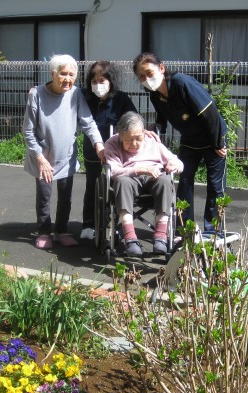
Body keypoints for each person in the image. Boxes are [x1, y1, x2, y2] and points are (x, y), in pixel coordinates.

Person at [132, 52, 228, 233]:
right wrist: (156, 129)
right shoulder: (155, 95)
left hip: (213, 139)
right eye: (142, 77)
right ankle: (185, 231)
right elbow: (162, 117)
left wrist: (218, 144)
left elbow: (210, 113)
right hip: (189, 141)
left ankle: (214, 233)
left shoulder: (182, 83)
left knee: (215, 187)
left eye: (149, 73)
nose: (146, 79)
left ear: (161, 68)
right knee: (184, 182)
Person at [22, 54, 104, 250]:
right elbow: (28, 131)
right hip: (43, 157)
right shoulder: (37, 94)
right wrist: (40, 158)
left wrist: (99, 144)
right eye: (63, 74)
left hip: (66, 155)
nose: (68, 79)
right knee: (44, 195)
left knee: (65, 196)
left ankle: (61, 231)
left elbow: (88, 123)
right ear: (53, 73)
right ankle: (44, 231)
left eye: (71, 75)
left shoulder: (75, 94)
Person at [104, 111, 183, 257]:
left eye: (138, 138)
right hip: (129, 177)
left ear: (143, 133)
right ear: (120, 135)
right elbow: (114, 171)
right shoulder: (112, 144)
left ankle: (160, 237)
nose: (134, 144)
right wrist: (140, 169)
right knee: (121, 181)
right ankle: (130, 239)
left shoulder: (152, 141)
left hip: (154, 175)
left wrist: (175, 165)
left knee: (165, 181)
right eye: (128, 140)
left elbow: (176, 161)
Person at [79, 61, 138, 240]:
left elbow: (134, 120)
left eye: (102, 80)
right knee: (92, 185)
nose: (98, 85)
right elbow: (64, 92)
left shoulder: (121, 99)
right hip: (92, 150)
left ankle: (115, 224)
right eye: (94, 81)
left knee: (115, 188)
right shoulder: (84, 96)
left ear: (111, 81)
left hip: (117, 153)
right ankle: (88, 224)